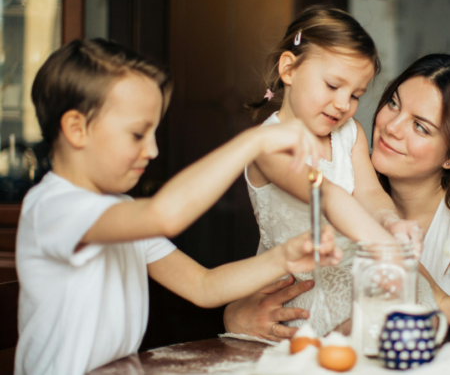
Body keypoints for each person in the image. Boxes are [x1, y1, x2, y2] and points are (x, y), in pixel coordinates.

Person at [14, 38, 340, 375]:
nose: (152, 150)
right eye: (138, 134)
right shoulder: (54, 208)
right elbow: (164, 215)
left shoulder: (122, 212)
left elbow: (203, 285)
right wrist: (253, 141)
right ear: (76, 129)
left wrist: (283, 256)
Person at [227, 54, 450, 353]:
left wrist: (438, 301)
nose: (391, 127)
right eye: (393, 103)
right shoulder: (340, 183)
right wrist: (237, 314)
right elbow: (272, 280)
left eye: (421, 127)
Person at [243, 6, 434, 337]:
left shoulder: (350, 134)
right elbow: (326, 194)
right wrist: (382, 244)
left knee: (408, 300)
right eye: (333, 86)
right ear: (289, 69)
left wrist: (390, 222)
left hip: (349, 273)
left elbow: (370, 193)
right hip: (298, 289)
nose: (344, 104)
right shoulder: (268, 144)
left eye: (356, 95)